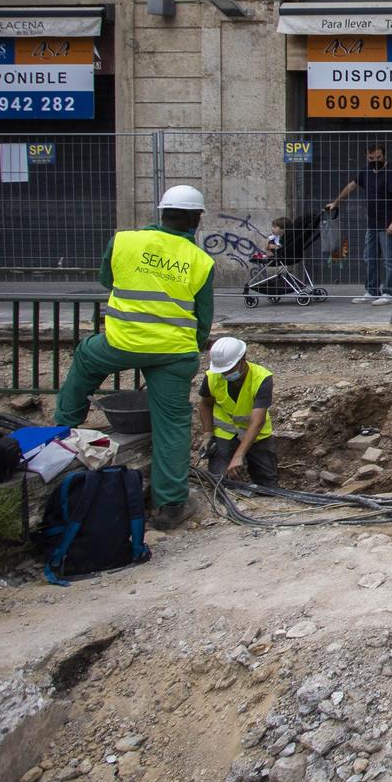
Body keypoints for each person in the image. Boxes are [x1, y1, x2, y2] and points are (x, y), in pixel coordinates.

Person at [54, 184, 216, 530]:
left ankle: (60, 430)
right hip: (174, 351)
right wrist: (191, 348)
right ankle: (171, 506)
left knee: (85, 359)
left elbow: (105, 280)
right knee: (171, 424)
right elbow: (203, 321)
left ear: (162, 212)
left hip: (122, 341)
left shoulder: (124, 241)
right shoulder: (201, 261)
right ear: (195, 219)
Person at [327, 143, 392, 305]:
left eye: (378, 157)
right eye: (371, 158)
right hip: (372, 223)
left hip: (388, 223)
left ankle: (390, 293)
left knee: (388, 260)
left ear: (384, 156)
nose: (375, 160)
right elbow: (352, 186)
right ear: (367, 157)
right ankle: (372, 291)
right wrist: (336, 202)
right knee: (369, 257)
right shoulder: (366, 172)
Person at [198, 336, 278, 486]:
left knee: (267, 482)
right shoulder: (212, 376)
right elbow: (205, 405)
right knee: (218, 482)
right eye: (223, 371)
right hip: (225, 433)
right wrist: (207, 434)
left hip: (256, 433)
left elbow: (257, 421)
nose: (226, 374)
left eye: (229, 370)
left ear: (242, 360)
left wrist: (238, 456)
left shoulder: (262, 378)